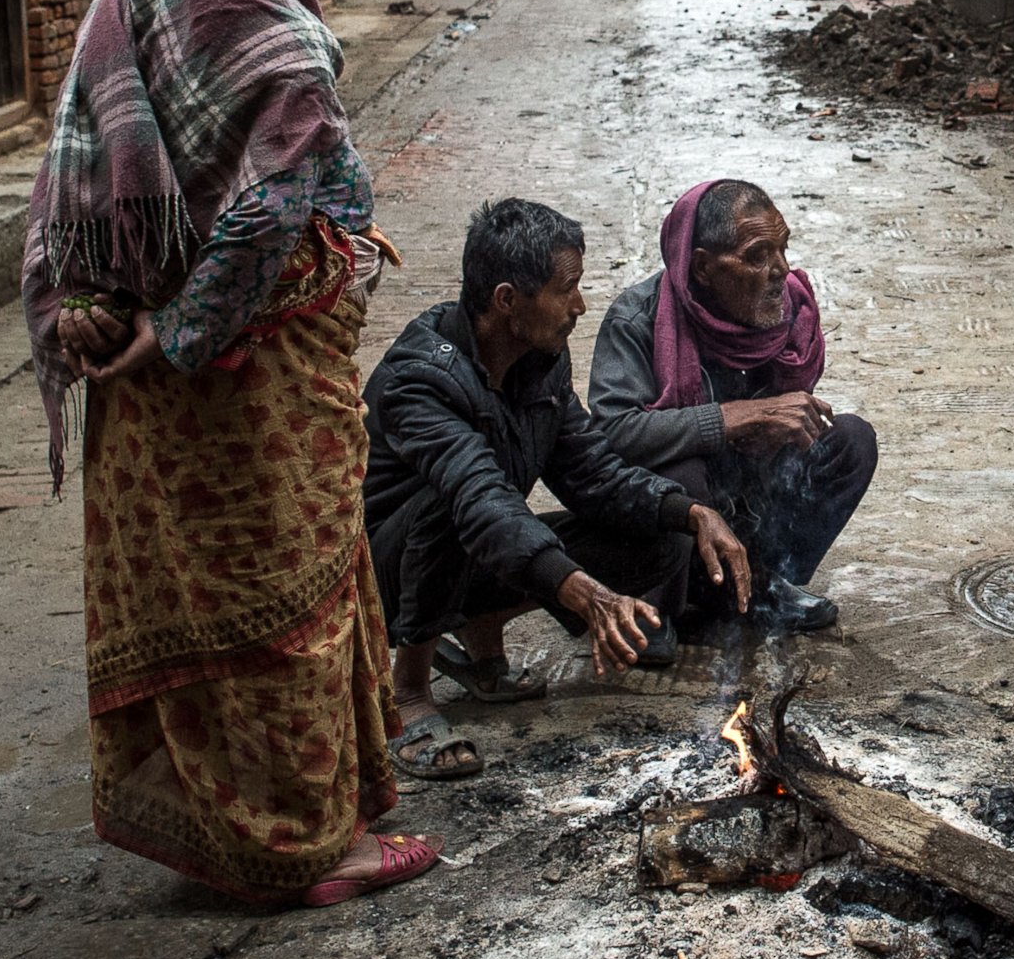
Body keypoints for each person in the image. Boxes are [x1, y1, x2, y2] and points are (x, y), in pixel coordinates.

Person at [22, 0, 437, 910]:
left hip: (144, 415)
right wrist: (184, 329)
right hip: (250, 393)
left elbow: (71, 189)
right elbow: (264, 221)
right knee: (291, 600)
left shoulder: (118, 14)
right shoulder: (282, 39)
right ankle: (312, 845)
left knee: (195, 598)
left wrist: (89, 308)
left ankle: (230, 822)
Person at [363, 199, 751, 779]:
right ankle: (409, 690)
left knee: (660, 539)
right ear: (506, 300)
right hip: (385, 574)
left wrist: (691, 511)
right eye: (566, 289)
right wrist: (588, 596)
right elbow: (479, 497)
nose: (580, 306)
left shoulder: (538, 358)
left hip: (476, 544)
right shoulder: (419, 378)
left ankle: (481, 633)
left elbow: (591, 472)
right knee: (453, 502)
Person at [588, 181, 878, 636]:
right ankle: (659, 607)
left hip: (745, 490)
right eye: (758, 255)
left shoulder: (787, 314)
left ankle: (761, 582)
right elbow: (612, 433)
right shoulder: (637, 319)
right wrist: (731, 418)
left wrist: (774, 425)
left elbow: (778, 417)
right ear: (703, 267)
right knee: (679, 471)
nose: (781, 270)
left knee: (850, 441)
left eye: (782, 249)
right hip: (677, 513)